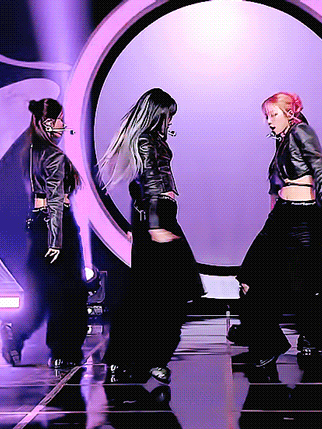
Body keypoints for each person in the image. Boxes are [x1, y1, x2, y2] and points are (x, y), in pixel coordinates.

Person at [232, 92, 322, 379]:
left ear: (290, 113)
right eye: (266, 116)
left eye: (273, 114)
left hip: (303, 218)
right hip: (282, 217)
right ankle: (269, 342)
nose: (268, 121)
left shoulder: (301, 131)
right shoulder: (283, 139)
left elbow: (319, 165)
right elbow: (277, 183)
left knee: (306, 292)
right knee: (249, 277)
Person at [98, 88, 204, 384]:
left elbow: (139, 185)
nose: (170, 121)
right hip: (158, 220)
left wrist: (141, 224)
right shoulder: (147, 141)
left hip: (154, 219)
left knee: (148, 294)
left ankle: (130, 358)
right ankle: (149, 359)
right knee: (166, 295)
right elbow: (150, 181)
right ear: (158, 114)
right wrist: (155, 225)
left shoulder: (146, 139)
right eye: (168, 115)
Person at [0, 98, 88, 370]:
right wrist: (57, 240)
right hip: (56, 226)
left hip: (40, 224)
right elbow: (55, 200)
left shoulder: (31, 151)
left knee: (44, 293)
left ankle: (17, 330)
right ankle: (63, 350)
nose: (63, 125)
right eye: (60, 119)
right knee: (69, 292)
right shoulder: (52, 156)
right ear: (49, 123)